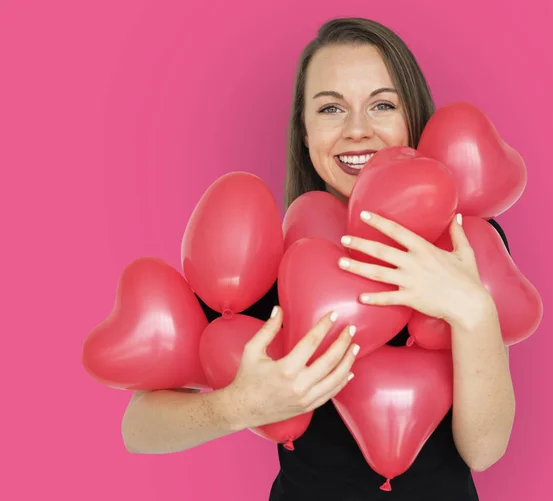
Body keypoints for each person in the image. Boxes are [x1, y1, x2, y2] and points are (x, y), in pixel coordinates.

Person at [121, 17, 515, 501]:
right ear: (305, 134)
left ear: (414, 119)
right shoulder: (257, 257)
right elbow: (137, 430)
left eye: (383, 105)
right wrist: (237, 407)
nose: (357, 130)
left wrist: (473, 310)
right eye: (331, 108)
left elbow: (484, 451)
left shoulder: (466, 242)